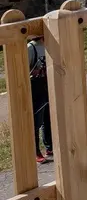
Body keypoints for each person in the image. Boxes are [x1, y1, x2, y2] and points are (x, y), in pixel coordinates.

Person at [28, 35, 52, 163]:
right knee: (37, 120)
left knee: (48, 117)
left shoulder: (48, 46)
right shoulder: (31, 48)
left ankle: (49, 146)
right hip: (35, 87)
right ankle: (36, 150)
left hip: (46, 85)